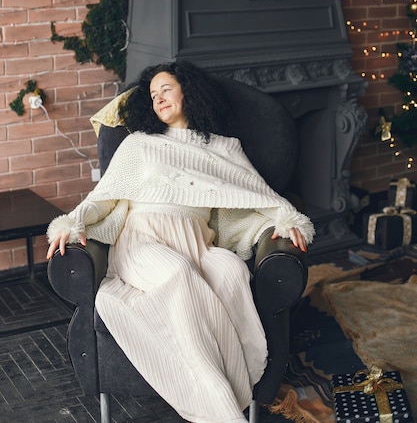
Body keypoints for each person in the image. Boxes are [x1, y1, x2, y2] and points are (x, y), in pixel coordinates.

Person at [47, 61, 315, 423]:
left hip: (197, 243)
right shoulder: (139, 144)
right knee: (178, 273)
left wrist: (285, 219)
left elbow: (256, 194)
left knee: (232, 271)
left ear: (188, 91)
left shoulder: (225, 148)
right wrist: (72, 221)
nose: (158, 99)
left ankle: (237, 384)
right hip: (144, 240)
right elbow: (104, 196)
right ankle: (219, 407)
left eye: (166, 89)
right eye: (153, 95)